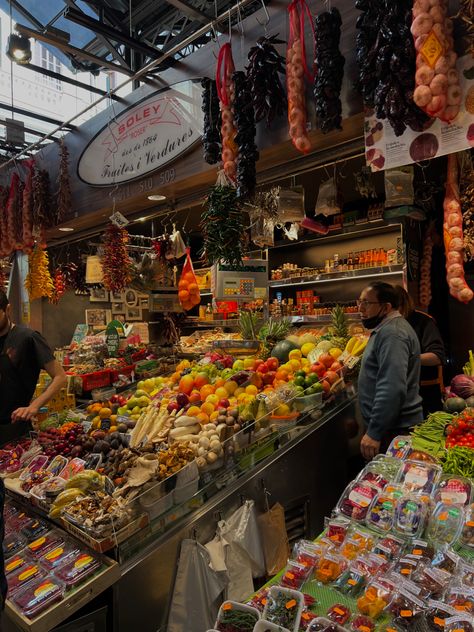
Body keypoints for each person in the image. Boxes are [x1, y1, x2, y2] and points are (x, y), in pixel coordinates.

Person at [357, 282, 423, 461]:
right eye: (359, 302)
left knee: (390, 483)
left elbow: (391, 387)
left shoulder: (392, 334)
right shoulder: (386, 329)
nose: (361, 309)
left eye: (367, 303)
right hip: (389, 427)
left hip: (393, 431)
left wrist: (374, 432)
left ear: (386, 307)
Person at [0, 290, 67, 441]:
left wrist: (34, 406)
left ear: (7, 309)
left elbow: (60, 377)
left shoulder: (28, 338)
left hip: (14, 429)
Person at [395, 286, 446, 415]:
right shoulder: (387, 325)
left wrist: (408, 358)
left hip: (424, 394)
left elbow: (437, 356)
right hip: (397, 394)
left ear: (403, 304)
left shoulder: (423, 321)